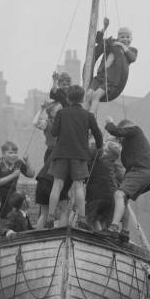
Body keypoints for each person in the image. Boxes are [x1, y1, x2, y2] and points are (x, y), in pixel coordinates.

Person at [45, 85, 103, 230]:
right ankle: (82, 219)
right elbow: (97, 133)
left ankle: (50, 218)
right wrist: (99, 145)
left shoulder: (61, 113)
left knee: (57, 184)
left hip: (61, 154)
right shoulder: (88, 115)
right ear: (82, 98)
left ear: (68, 98)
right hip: (79, 155)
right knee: (78, 186)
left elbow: (54, 132)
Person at [102, 117, 150, 243]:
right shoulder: (132, 144)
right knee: (124, 200)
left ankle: (113, 228)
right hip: (143, 173)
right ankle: (125, 232)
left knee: (119, 194)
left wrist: (109, 122)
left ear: (127, 129)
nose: (120, 140)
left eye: (122, 137)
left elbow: (115, 131)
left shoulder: (135, 130)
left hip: (140, 171)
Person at [0, 141, 35, 239]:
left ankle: (17, 232)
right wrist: (13, 175)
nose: (13, 155)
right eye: (10, 153)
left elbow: (31, 174)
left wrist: (27, 161)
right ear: (3, 154)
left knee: (12, 213)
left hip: (9, 194)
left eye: (15, 153)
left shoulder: (18, 163)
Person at [85, 17, 138, 115]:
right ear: (118, 37)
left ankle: (90, 117)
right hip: (100, 77)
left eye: (127, 37)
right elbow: (98, 40)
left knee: (96, 95)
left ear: (131, 38)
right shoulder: (111, 43)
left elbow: (132, 58)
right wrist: (104, 27)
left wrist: (121, 45)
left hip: (110, 80)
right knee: (88, 95)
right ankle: (84, 115)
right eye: (122, 37)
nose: (125, 39)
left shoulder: (131, 50)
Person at [33, 99, 71, 228]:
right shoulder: (49, 123)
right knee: (56, 181)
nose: (61, 111)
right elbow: (35, 122)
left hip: (60, 153)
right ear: (52, 114)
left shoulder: (65, 123)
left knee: (46, 210)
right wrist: (41, 109)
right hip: (54, 153)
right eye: (58, 110)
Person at [85, 139, 121, 231]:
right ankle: (102, 235)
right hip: (111, 198)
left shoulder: (95, 161)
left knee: (88, 219)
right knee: (98, 219)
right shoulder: (111, 165)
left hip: (96, 197)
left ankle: (95, 236)